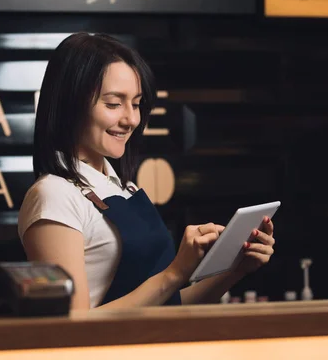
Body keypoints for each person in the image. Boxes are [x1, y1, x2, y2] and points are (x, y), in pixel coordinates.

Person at [18, 32, 275, 310]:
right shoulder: (53, 194)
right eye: (114, 104)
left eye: (137, 104)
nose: (131, 119)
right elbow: (73, 327)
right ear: (71, 104)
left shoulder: (121, 186)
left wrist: (235, 269)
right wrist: (174, 273)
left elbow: (169, 306)